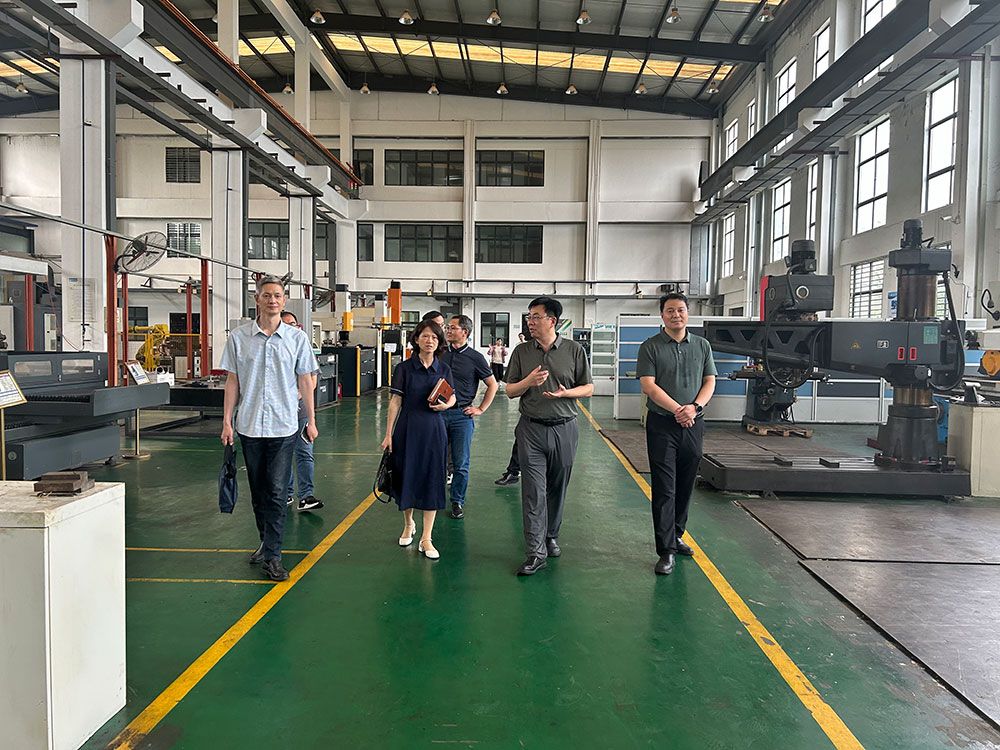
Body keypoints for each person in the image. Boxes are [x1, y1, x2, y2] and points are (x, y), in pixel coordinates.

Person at [221, 276, 319, 581]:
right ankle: (266, 542)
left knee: (277, 492)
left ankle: (274, 557)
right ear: (257, 299)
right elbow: (232, 381)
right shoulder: (239, 338)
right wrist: (227, 421)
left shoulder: (296, 339)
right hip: (249, 425)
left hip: (283, 425)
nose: (272, 300)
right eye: (267, 295)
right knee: (258, 492)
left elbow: (306, 381)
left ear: (284, 300)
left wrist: (312, 420)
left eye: (277, 295)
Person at [505, 297, 592, 576]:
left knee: (557, 486)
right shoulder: (521, 352)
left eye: (536, 317)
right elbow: (509, 390)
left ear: (552, 321)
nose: (530, 322)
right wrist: (528, 382)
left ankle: (551, 534)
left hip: (565, 427)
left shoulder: (574, 350)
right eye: (529, 317)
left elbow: (588, 387)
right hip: (531, 429)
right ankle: (535, 551)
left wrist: (567, 393)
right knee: (533, 491)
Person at [637, 292, 717, 576]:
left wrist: (695, 408)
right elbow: (648, 385)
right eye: (670, 310)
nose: (676, 315)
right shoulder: (650, 346)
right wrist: (678, 410)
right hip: (662, 424)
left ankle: (677, 534)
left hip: (694, 423)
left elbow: (710, 381)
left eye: (680, 310)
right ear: (662, 315)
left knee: (685, 482)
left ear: (687, 313)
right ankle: (666, 550)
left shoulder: (702, 345)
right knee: (664, 486)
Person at [381, 320, 456, 560]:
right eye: (425, 336)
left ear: (439, 342)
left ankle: (427, 538)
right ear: (416, 339)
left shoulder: (443, 369)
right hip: (408, 428)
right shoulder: (404, 368)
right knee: (408, 476)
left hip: (434, 430)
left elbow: (452, 396)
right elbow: (396, 402)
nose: (429, 341)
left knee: (432, 479)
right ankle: (408, 524)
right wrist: (388, 434)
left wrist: (446, 405)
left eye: (434, 337)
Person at [441, 315, 499, 520]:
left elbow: (493, 384)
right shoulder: (440, 354)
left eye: (452, 328)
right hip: (437, 414)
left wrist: (480, 409)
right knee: (435, 458)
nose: (448, 330)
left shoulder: (475, 358)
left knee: (461, 462)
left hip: (461, 416)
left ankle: (457, 501)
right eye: (447, 327)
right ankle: (433, 497)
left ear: (464, 332)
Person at [280, 311, 323, 512]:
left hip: (301, 413)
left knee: (304, 453)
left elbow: (311, 381)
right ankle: (286, 494)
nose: (290, 327)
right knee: (283, 456)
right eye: (285, 323)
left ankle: (306, 496)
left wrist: (296, 395)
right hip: (280, 415)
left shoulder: (303, 348)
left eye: (293, 324)